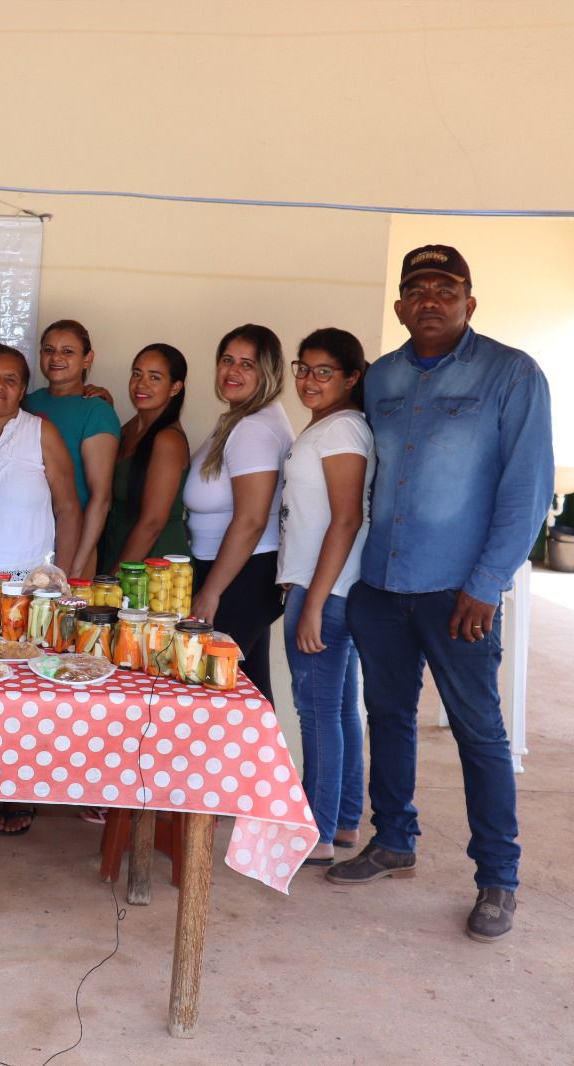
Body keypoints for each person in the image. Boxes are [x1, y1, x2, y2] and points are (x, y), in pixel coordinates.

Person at [329, 246, 554, 944]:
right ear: (399, 306)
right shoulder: (384, 377)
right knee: (387, 717)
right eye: (416, 290)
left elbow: (527, 490)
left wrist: (486, 585)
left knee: (478, 733)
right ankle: (393, 839)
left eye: (446, 288)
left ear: (470, 302)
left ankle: (498, 878)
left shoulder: (512, 374)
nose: (430, 300)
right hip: (381, 585)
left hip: (459, 594)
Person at [277, 328, 372, 867]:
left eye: (324, 371)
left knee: (318, 713)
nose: (309, 380)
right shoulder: (330, 427)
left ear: (351, 377)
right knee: (337, 708)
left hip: (326, 593)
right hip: (329, 588)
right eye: (303, 368)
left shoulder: (341, 432)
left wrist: (312, 600)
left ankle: (315, 830)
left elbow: (346, 518)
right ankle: (342, 823)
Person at [183, 323, 292, 706]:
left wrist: (212, 591)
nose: (233, 371)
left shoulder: (254, 428)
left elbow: (251, 519)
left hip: (241, 575)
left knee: (212, 691)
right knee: (250, 692)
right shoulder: (241, 419)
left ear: (269, 373)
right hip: (241, 573)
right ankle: (266, 766)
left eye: (248, 364)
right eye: (227, 360)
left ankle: (236, 766)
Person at [0, 343, 82, 577]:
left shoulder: (42, 433)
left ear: (22, 390)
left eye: (10, 379)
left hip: (28, 584)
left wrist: (60, 578)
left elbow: (69, 509)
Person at [21, 320, 120, 577]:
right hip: (26, 537)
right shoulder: (28, 402)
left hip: (73, 542)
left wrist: (79, 560)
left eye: (68, 351)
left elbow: (101, 498)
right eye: (48, 350)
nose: (56, 358)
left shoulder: (97, 411)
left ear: (88, 359)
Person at [100, 344, 192, 568]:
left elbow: (152, 524)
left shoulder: (168, 440)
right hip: (121, 550)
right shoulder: (128, 429)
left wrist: (114, 578)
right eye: (136, 374)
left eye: (155, 377)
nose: (141, 384)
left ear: (175, 387)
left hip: (152, 564)